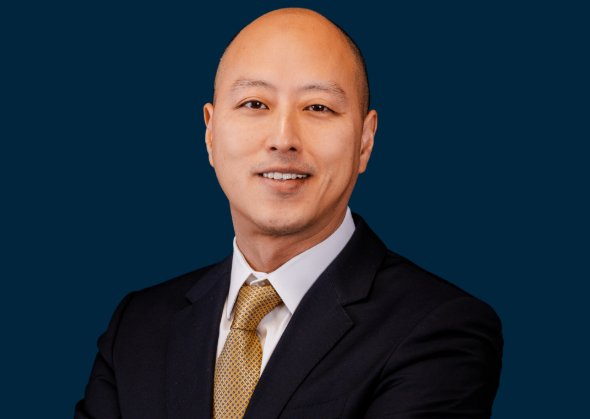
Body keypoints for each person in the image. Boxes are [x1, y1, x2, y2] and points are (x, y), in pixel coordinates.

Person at [75, 8, 503, 419]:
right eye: (254, 104)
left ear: (365, 141)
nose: (283, 139)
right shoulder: (138, 326)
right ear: (210, 133)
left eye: (318, 107)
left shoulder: (439, 328)